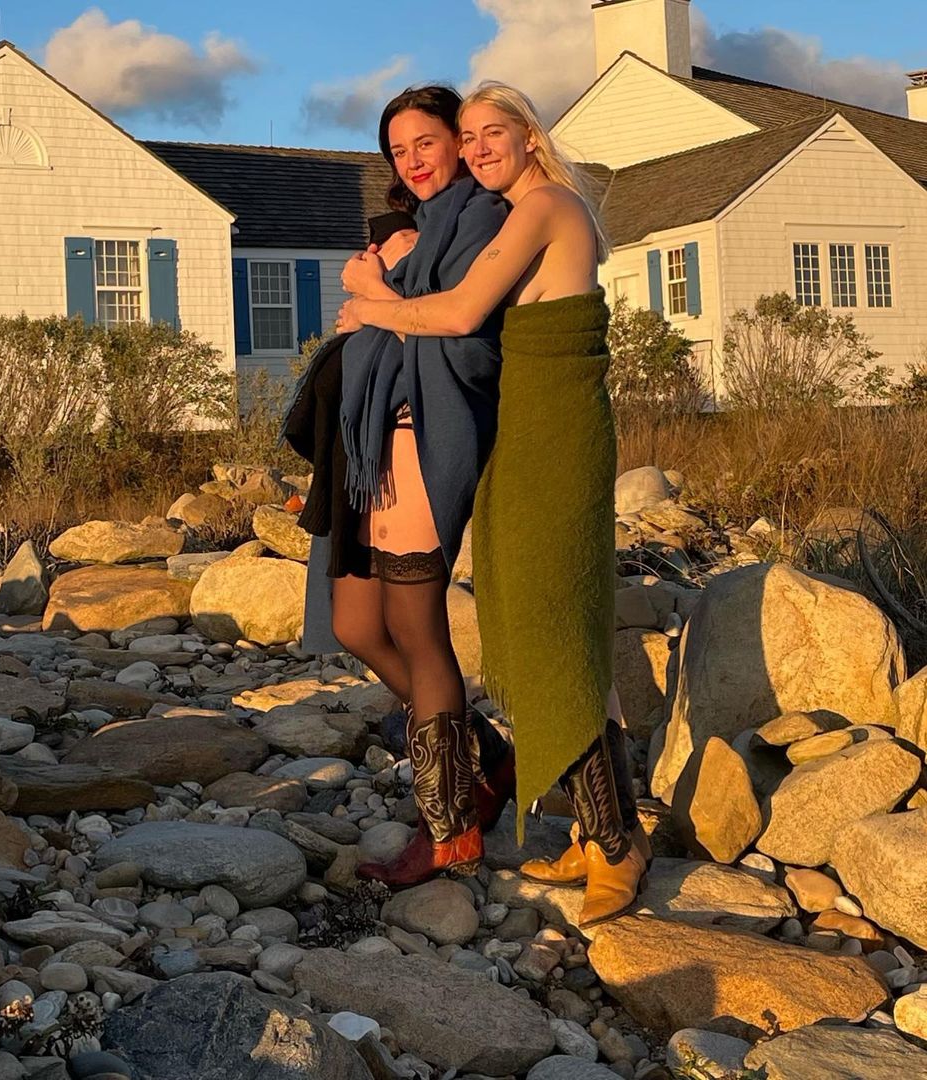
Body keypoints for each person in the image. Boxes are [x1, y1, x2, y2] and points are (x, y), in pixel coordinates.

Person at [337, 82, 651, 927]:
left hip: (558, 432)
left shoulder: (545, 206)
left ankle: (618, 844)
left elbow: (463, 311)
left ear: (528, 135)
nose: (475, 148)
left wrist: (371, 301)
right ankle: (594, 829)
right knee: (532, 623)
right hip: (519, 431)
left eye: (489, 133)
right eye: (468, 135)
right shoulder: (514, 211)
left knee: (556, 624)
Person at [285, 85, 516, 887]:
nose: (413, 160)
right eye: (398, 149)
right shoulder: (410, 228)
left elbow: (468, 342)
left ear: (458, 140)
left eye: (426, 142)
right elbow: (382, 320)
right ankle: (483, 754)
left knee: (419, 631)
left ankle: (448, 827)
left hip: (423, 438)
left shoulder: (483, 220)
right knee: (356, 623)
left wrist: (377, 300)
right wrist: (374, 304)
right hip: (366, 446)